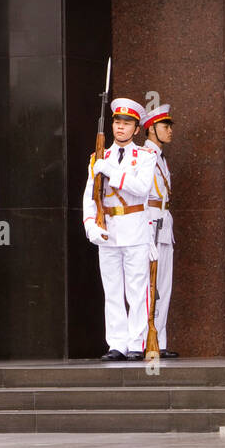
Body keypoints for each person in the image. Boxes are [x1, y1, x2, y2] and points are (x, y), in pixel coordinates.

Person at [83, 97, 158, 361]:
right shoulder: (98, 156)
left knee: (137, 290)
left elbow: (142, 188)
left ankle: (137, 343)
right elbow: (90, 197)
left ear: (137, 129)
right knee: (112, 290)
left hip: (135, 229)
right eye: (117, 122)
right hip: (108, 229)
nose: (121, 127)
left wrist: (112, 172)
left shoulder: (146, 156)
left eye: (127, 123)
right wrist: (90, 225)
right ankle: (117, 343)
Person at [141, 103, 178, 358]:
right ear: (151, 129)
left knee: (163, 285)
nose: (169, 131)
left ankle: (159, 341)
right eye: (165, 126)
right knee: (148, 286)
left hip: (164, 224)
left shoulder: (161, 159)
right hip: (149, 224)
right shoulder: (144, 156)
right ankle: (144, 340)